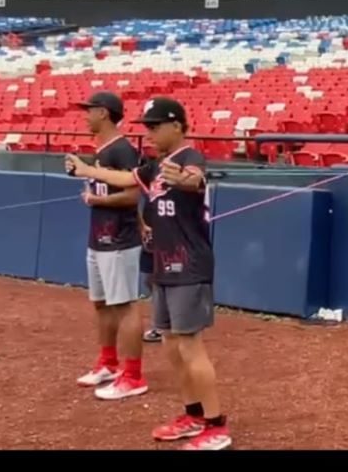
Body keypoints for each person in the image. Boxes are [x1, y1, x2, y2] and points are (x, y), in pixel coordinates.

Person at [65, 97, 231, 451]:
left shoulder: (188, 158)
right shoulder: (155, 166)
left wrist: (185, 179)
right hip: (162, 263)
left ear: (176, 126)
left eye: (155, 127)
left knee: (190, 345)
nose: (149, 133)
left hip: (189, 264)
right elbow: (126, 177)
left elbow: (195, 178)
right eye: (147, 126)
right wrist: (87, 170)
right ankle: (193, 414)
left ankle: (217, 424)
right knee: (172, 344)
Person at [74, 91, 148, 401]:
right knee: (102, 303)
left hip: (119, 238)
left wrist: (96, 199)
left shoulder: (122, 150)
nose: (85, 116)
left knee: (124, 305)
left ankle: (133, 375)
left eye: (89, 110)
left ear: (103, 113)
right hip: (99, 236)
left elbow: (133, 195)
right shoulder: (102, 149)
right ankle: (108, 362)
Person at [139, 194, 163, 343]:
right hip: (149, 234)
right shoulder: (148, 184)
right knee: (148, 280)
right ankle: (163, 322)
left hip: (167, 235)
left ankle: (161, 326)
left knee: (158, 280)